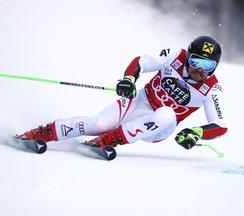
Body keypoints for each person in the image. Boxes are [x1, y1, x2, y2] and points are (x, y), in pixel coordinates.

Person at [17, 36, 228, 150]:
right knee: (97, 124)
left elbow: (220, 126)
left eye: (207, 65)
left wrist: (196, 132)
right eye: (195, 61)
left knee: (167, 113)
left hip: (158, 127)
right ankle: (39, 133)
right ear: (188, 56)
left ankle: (112, 139)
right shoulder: (175, 55)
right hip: (140, 102)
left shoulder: (212, 88)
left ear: (215, 66)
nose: (200, 69)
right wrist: (129, 80)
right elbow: (141, 62)